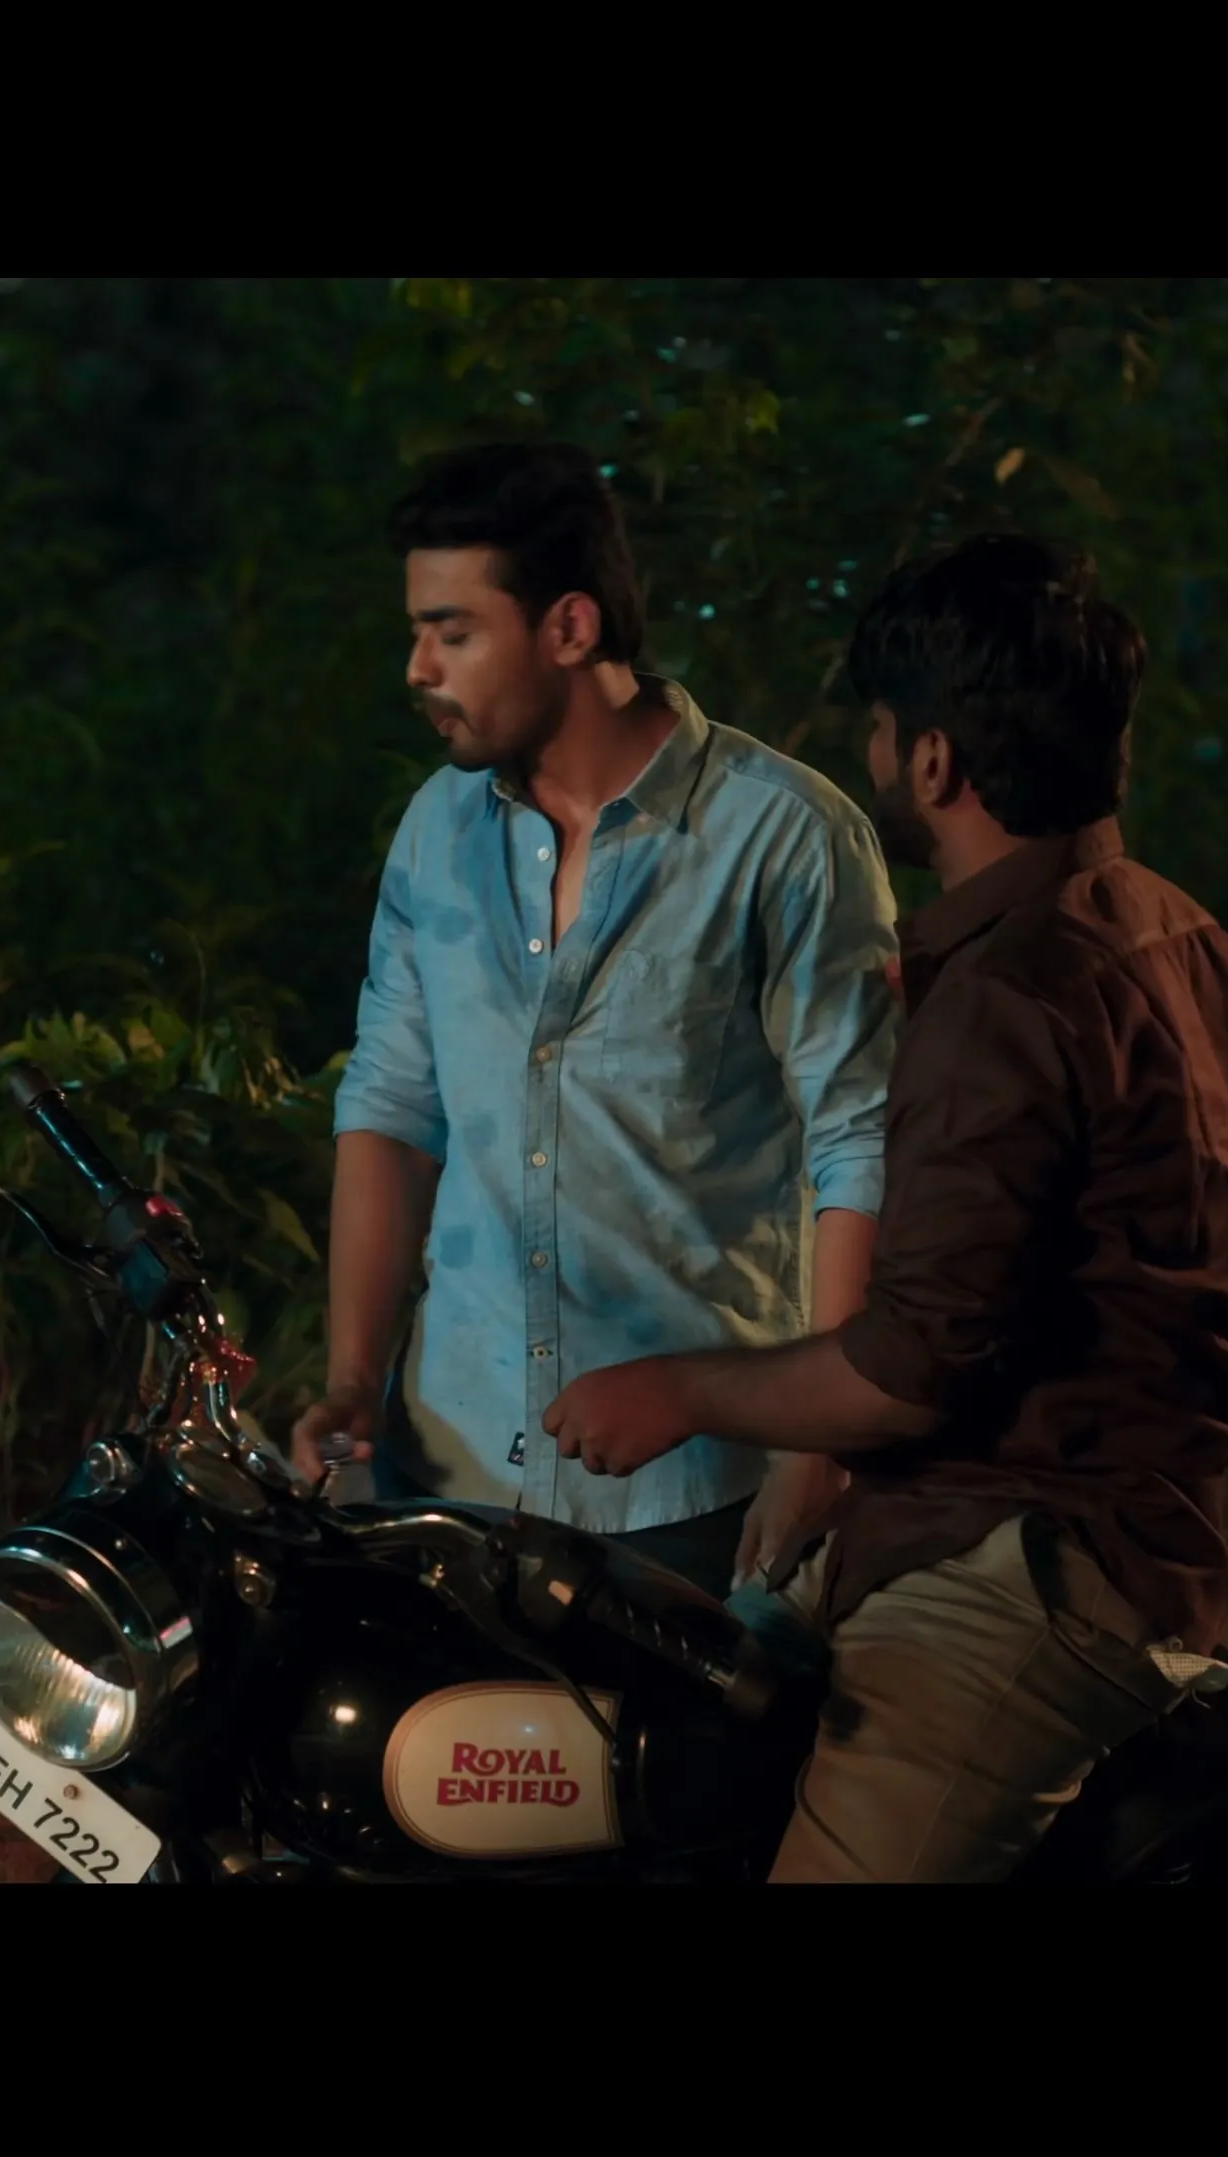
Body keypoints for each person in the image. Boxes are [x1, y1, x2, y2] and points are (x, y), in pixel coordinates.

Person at [540, 531, 1228, 1883]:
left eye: (883, 728)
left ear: (934, 761)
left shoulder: (1013, 994)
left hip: (1026, 1571)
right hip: (1065, 1533)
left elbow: (909, 1372)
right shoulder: (1174, 933)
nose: (874, 753)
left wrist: (678, 1390)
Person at [290, 443, 901, 1598]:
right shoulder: (437, 833)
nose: (418, 668)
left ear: (569, 628)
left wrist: (818, 1447)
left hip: (692, 1485)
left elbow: (857, 1145)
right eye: (418, 633)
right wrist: (352, 1382)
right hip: (449, 1459)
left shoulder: (783, 837)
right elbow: (392, 1106)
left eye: (453, 633)